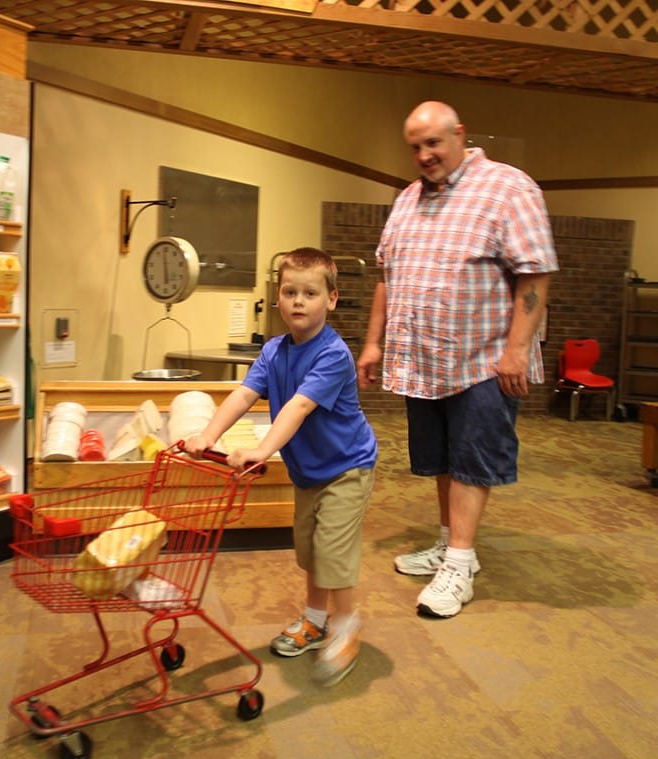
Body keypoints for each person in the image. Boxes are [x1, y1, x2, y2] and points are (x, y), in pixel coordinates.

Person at [357, 100, 558, 618]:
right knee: (442, 459)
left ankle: (461, 563)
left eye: (433, 143)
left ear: (459, 134)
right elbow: (387, 276)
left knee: (472, 462)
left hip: (484, 358)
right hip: (425, 360)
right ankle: (450, 545)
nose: (424, 155)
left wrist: (516, 351)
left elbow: (534, 275)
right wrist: (374, 342)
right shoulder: (407, 199)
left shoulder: (509, 188)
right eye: (415, 146)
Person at [185, 247, 377, 686]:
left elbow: (299, 406)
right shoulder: (273, 350)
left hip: (348, 467)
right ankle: (314, 619)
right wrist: (208, 435)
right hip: (309, 470)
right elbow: (243, 395)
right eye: (290, 291)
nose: (298, 301)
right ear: (278, 297)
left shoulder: (333, 354)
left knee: (332, 548)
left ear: (331, 299)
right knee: (308, 548)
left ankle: (345, 624)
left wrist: (263, 450)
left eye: (310, 293)